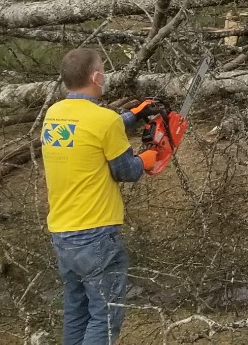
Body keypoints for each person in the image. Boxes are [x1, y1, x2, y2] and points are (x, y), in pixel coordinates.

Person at [41, 48, 178, 345]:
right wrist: (146, 158)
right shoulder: (103, 121)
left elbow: (90, 131)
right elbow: (126, 171)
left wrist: (134, 116)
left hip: (62, 233)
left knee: (77, 311)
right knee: (105, 315)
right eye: (102, 71)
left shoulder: (54, 115)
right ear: (96, 77)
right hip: (96, 233)